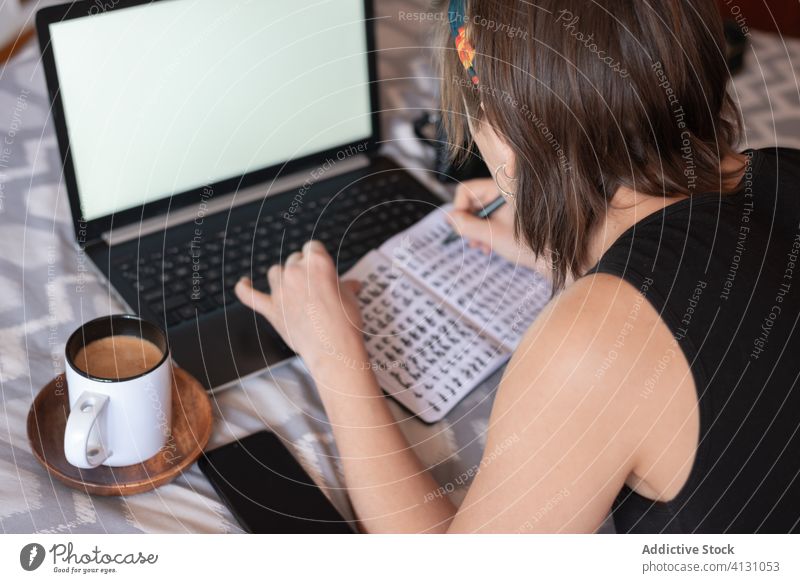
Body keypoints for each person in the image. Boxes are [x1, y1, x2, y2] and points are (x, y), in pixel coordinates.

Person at [234, 0, 800, 533]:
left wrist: (336, 361)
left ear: (505, 141)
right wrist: (558, 237)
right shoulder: (782, 169)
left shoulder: (595, 343)